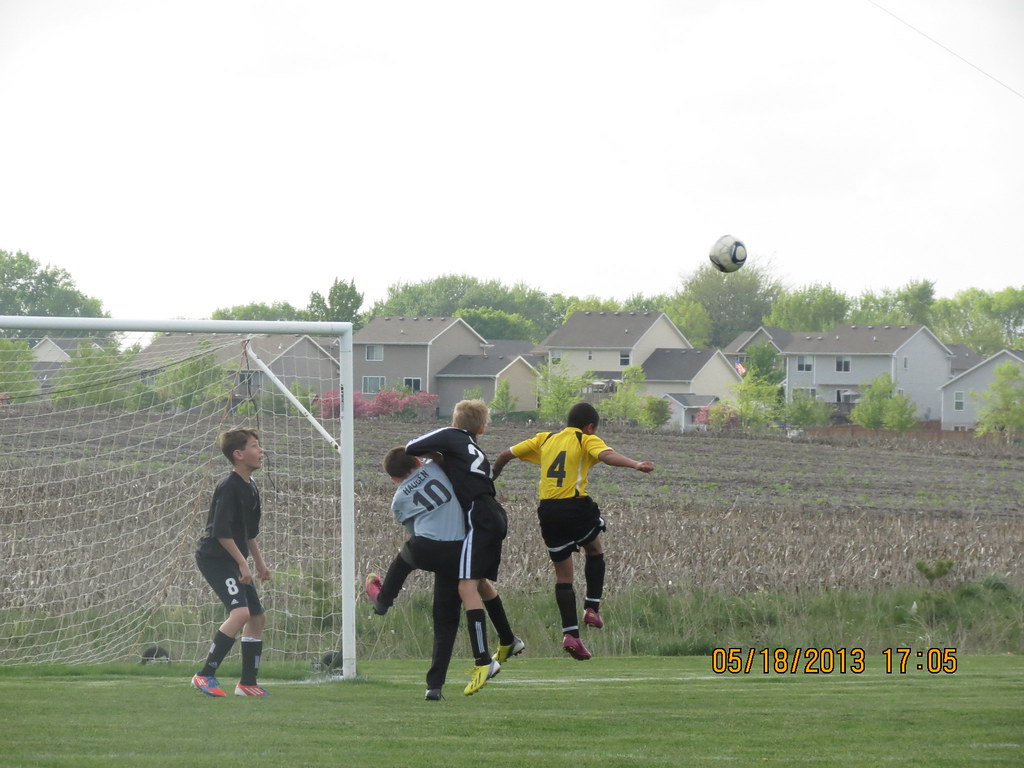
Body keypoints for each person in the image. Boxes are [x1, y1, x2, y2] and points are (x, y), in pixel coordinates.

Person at [491, 402, 654, 661]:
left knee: (563, 575)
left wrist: (492, 479)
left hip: (547, 511)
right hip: (574, 507)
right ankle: (592, 607)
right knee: (595, 549)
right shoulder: (584, 439)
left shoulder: (545, 439)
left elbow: (504, 455)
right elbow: (607, 456)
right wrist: (635, 464)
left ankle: (571, 635)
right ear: (590, 427)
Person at [364, 446, 523, 701]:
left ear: (394, 479)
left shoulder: (398, 497)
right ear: (417, 459)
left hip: (430, 545)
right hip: (459, 550)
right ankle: (434, 686)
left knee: (404, 558)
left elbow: (414, 529)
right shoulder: (438, 468)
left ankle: (383, 601)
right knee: (445, 619)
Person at [404, 399, 520, 695]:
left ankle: (483, 660)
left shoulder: (452, 435)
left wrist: (434, 450)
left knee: (464, 588)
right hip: (494, 514)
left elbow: (410, 447)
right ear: (482, 428)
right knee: (479, 581)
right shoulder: (475, 449)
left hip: (478, 517)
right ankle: (508, 640)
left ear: (456, 423)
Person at [192, 428, 272, 697]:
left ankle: (247, 683)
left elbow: (248, 532)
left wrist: (259, 563)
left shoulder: (251, 486)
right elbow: (222, 533)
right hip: (215, 557)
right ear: (238, 454)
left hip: (234, 559)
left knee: (257, 616)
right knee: (240, 613)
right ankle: (204, 675)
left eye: (259, 446)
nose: (261, 451)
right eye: (254, 446)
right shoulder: (228, 487)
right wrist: (243, 564)